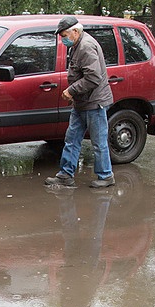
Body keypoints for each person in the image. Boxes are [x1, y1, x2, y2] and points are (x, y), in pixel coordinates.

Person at [46, 15, 115, 189]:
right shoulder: (77, 45)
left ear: (75, 31)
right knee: (72, 139)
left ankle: (106, 176)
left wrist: (71, 90)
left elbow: (93, 77)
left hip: (94, 103)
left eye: (64, 36)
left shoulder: (85, 46)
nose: (63, 40)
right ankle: (65, 175)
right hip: (82, 103)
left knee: (98, 142)